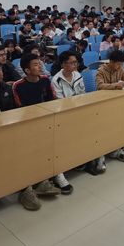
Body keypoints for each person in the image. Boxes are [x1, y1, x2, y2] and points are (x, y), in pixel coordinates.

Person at [11, 54, 61, 206]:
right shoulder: (18, 85)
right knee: (28, 153)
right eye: (35, 64)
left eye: (40, 63)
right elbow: (20, 109)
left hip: (46, 122)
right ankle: (26, 188)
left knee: (48, 149)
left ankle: (43, 180)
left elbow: (52, 101)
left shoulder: (45, 80)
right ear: (27, 70)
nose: (40, 66)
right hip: (27, 125)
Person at [48, 50, 85, 191]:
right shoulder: (56, 80)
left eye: (76, 62)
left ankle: (83, 159)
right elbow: (60, 102)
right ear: (63, 64)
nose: (75, 65)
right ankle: (59, 172)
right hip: (63, 115)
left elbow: (82, 94)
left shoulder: (78, 75)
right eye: (72, 63)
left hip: (78, 111)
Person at [95, 50, 124, 162]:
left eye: (121, 64)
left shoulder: (120, 69)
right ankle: (109, 149)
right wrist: (115, 85)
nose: (120, 66)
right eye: (118, 64)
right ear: (111, 62)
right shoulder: (101, 71)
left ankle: (117, 147)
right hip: (103, 103)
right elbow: (100, 86)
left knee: (122, 121)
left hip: (116, 102)